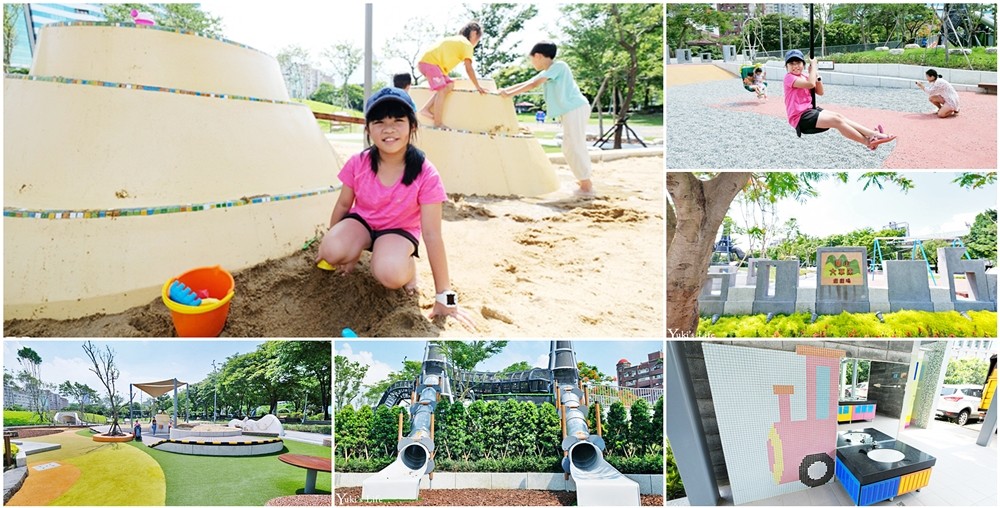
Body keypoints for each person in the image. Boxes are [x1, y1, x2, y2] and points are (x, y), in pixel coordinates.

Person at [316, 87, 476, 331]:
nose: (388, 129)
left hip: (398, 232)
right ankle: (353, 251)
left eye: (398, 121)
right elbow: (343, 205)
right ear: (368, 128)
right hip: (362, 223)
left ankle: (408, 265)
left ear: (412, 126)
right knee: (331, 249)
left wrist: (446, 296)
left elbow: (433, 235)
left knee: (389, 274)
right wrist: (339, 247)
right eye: (379, 122)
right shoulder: (358, 162)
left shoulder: (426, 173)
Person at [500, 41, 594, 195]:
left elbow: (534, 84)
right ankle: (583, 179)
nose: (532, 63)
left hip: (576, 107)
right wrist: (504, 90)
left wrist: (509, 94)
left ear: (538, 56)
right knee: (569, 146)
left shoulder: (559, 66)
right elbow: (529, 82)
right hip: (571, 110)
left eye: (532, 59)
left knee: (574, 145)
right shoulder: (549, 70)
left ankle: (586, 183)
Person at [783, 49, 896, 150]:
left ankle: (872, 134)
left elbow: (820, 92)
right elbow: (810, 84)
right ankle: (868, 142)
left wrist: (816, 74)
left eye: (798, 62)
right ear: (786, 67)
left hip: (810, 110)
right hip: (800, 117)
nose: (795, 66)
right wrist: (814, 68)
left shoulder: (805, 76)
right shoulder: (789, 77)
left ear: (803, 64)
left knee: (839, 116)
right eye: (791, 63)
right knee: (837, 122)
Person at [417, 21, 487, 128]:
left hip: (433, 64)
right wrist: (477, 86)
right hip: (431, 63)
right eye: (478, 39)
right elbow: (469, 68)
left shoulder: (457, 40)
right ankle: (438, 122)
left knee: (449, 85)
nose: (476, 43)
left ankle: (425, 109)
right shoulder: (467, 45)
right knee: (441, 89)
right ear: (473, 34)